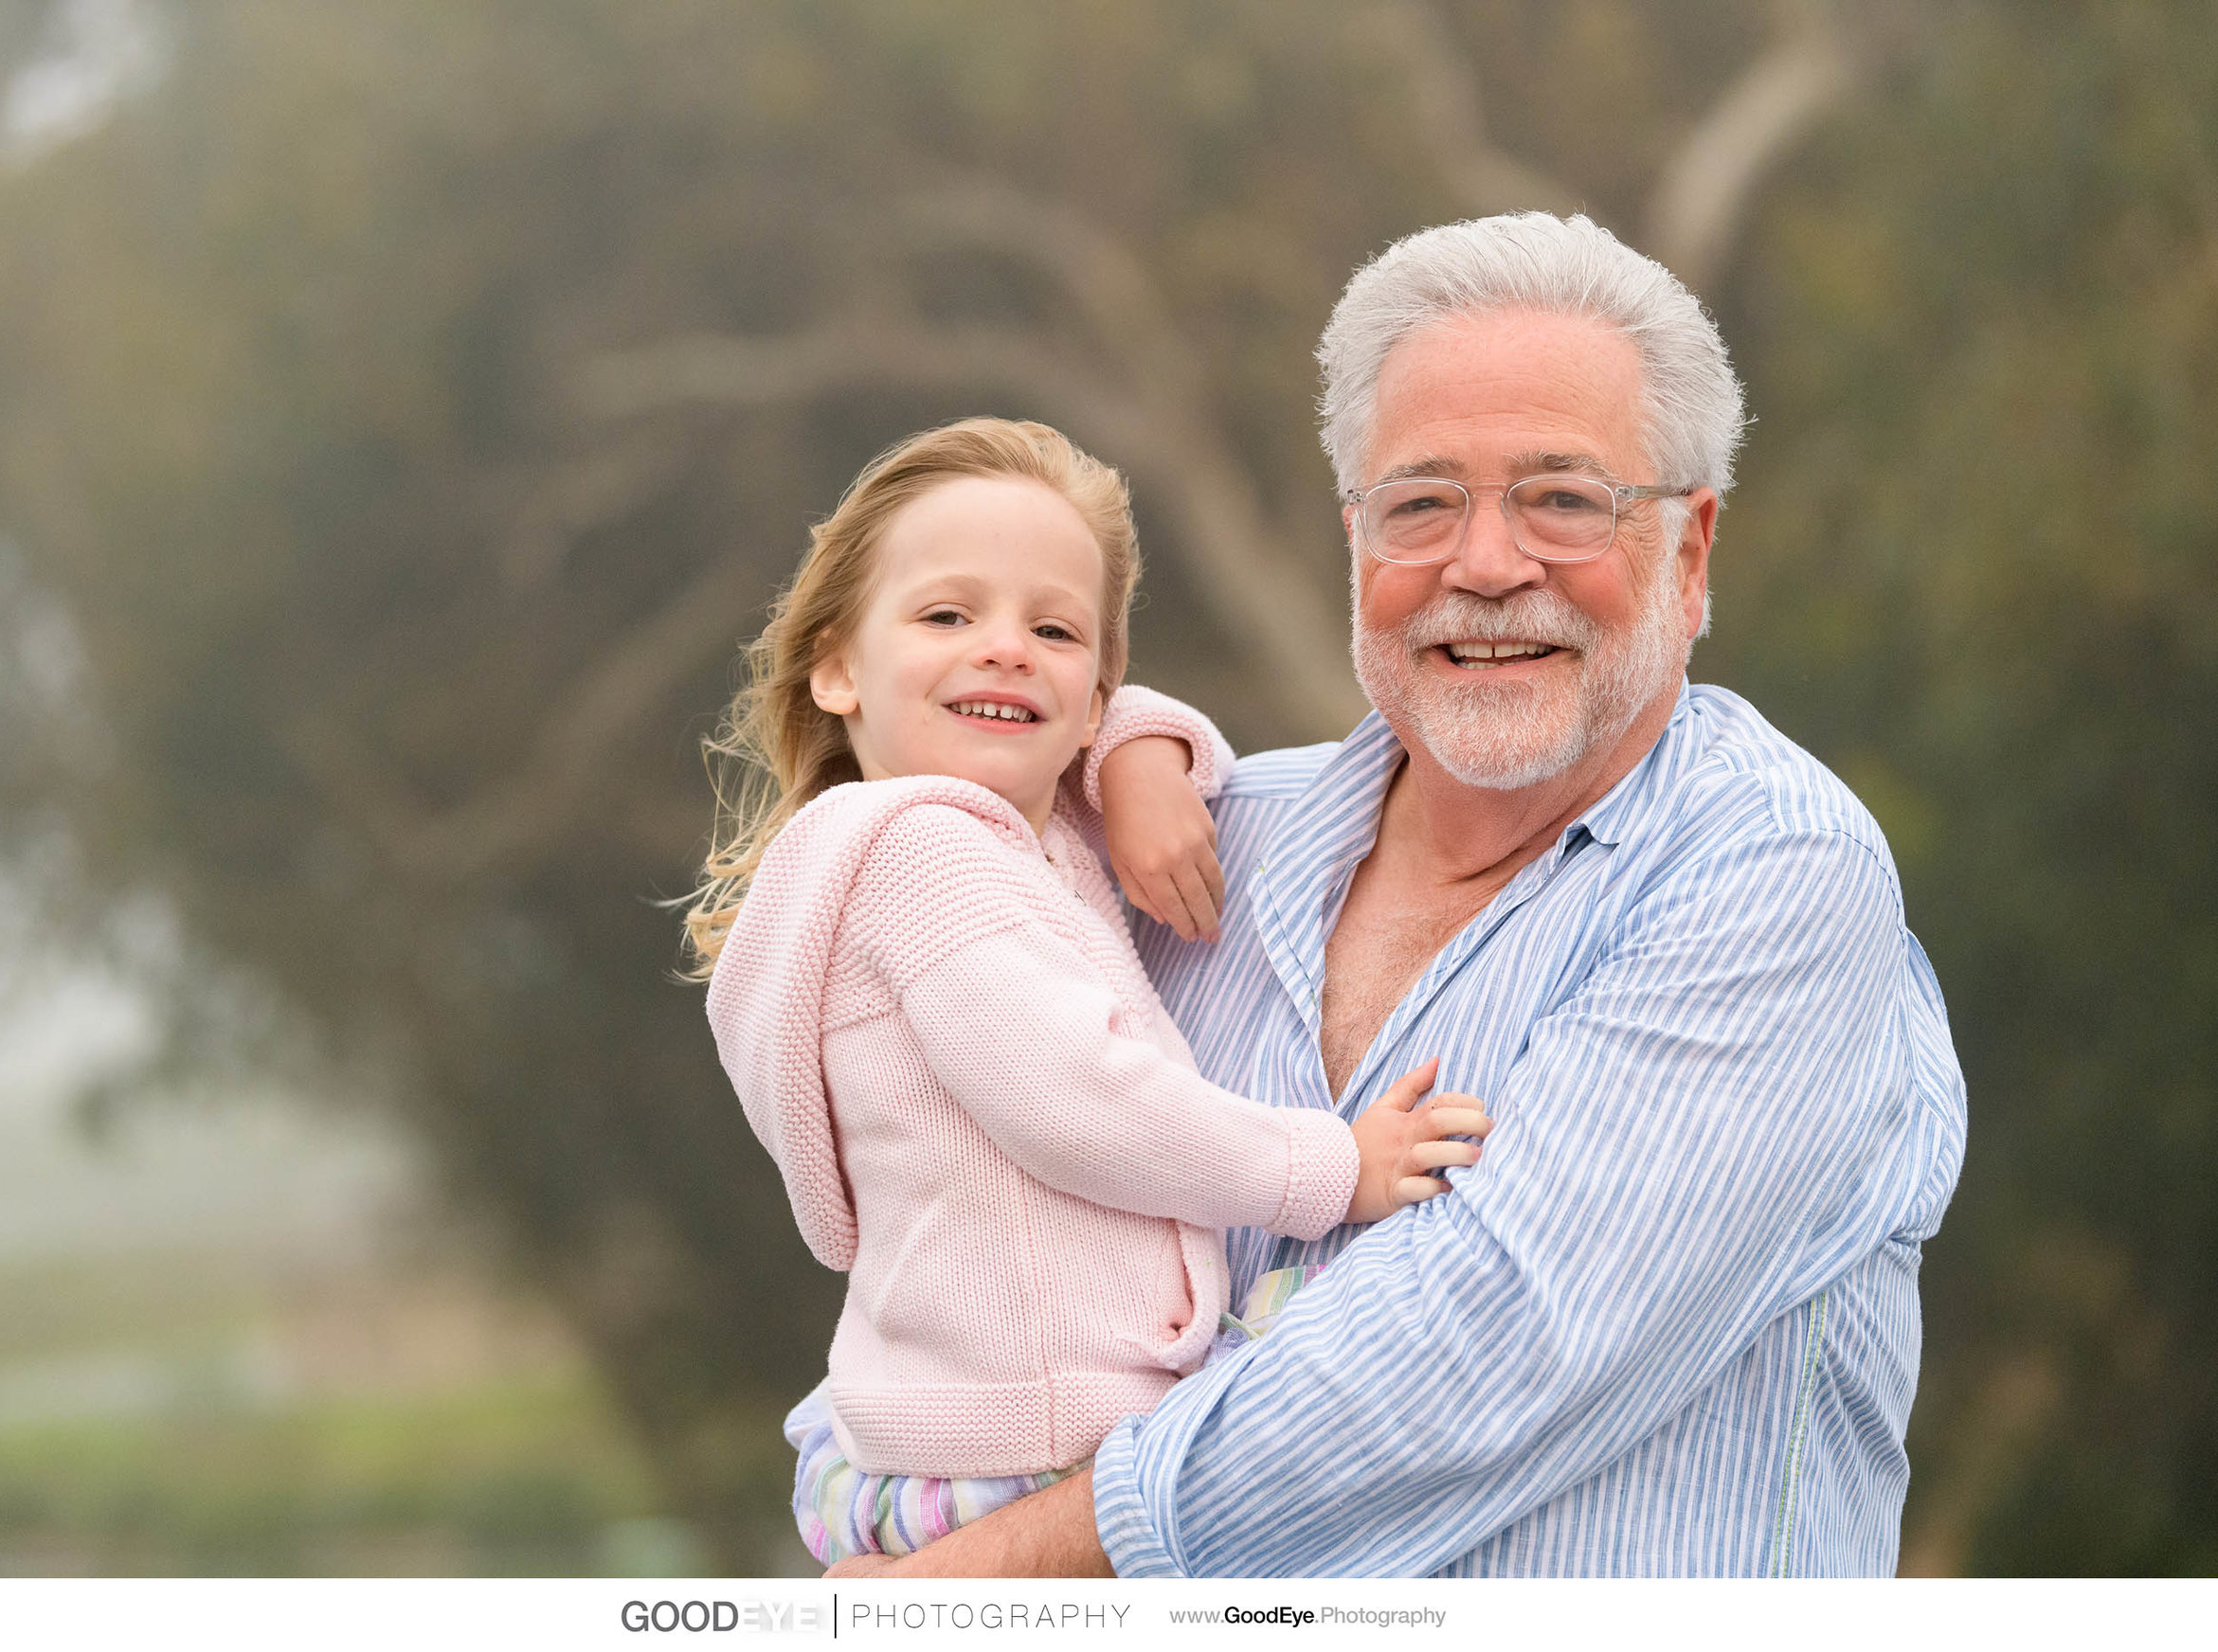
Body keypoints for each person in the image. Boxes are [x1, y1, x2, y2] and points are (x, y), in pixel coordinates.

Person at [828, 212, 1968, 1579]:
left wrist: (943, 1586)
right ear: (1356, 540)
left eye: (1564, 498)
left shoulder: (1769, 875)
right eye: (1421, 505)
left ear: (1692, 548)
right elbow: (949, 1246)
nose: (1486, 565)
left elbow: (1473, 1361)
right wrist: (856, 1474)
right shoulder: (1206, 844)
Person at [685, 417, 1494, 1564]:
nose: (1005, 649)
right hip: (1032, 1437)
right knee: (1394, 1344)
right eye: (946, 616)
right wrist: (1336, 1169)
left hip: (966, 1420)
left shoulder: (1020, 828)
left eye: (1052, 627)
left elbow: (1123, 712)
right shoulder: (924, 859)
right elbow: (1086, 1102)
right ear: (834, 667)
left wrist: (1134, 761)